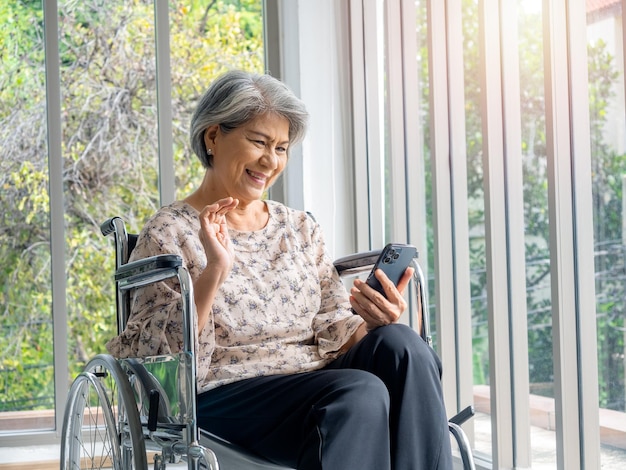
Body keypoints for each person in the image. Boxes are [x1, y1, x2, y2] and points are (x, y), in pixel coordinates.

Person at [106, 69, 452, 470]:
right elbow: (160, 361)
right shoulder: (171, 231)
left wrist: (373, 323)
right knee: (358, 391)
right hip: (227, 392)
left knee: (403, 346)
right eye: (259, 142)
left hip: (316, 377)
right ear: (213, 137)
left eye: (282, 148)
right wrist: (214, 270)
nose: (270, 161)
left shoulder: (300, 227)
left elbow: (332, 325)